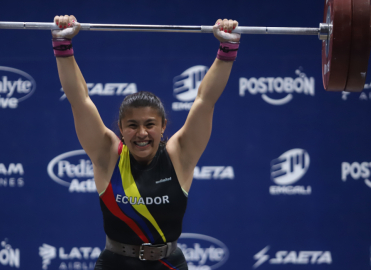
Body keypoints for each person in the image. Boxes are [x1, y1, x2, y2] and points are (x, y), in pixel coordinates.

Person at [52, 15, 240, 270]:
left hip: (169, 264)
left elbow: (205, 101)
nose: (141, 133)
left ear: (163, 127)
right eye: (132, 126)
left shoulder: (179, 154)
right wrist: (63, 45)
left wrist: (226, 49)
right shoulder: (107, 153)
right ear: (120, 129)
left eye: (150, 125)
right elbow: (79, 99)